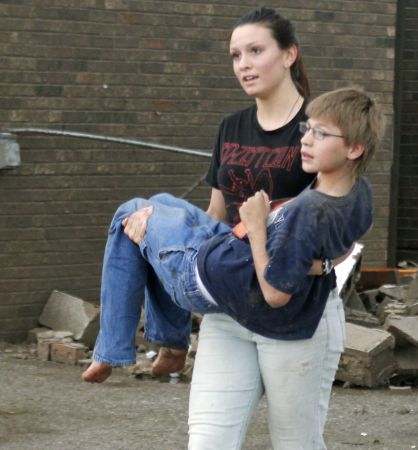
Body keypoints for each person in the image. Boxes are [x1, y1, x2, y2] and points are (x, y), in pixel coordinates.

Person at [84, 7, 348, 449]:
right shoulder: (231, 127)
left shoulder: (319, 129)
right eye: (235, 55)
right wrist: (161, 232)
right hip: (228, 307)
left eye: (256, 51)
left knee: (295, 444)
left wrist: (295, 267)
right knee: (207, 442)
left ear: (288, 55)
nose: (243, 64)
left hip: (294, 313)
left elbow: (341, 229)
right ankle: (162, 340)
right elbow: (215, 214)